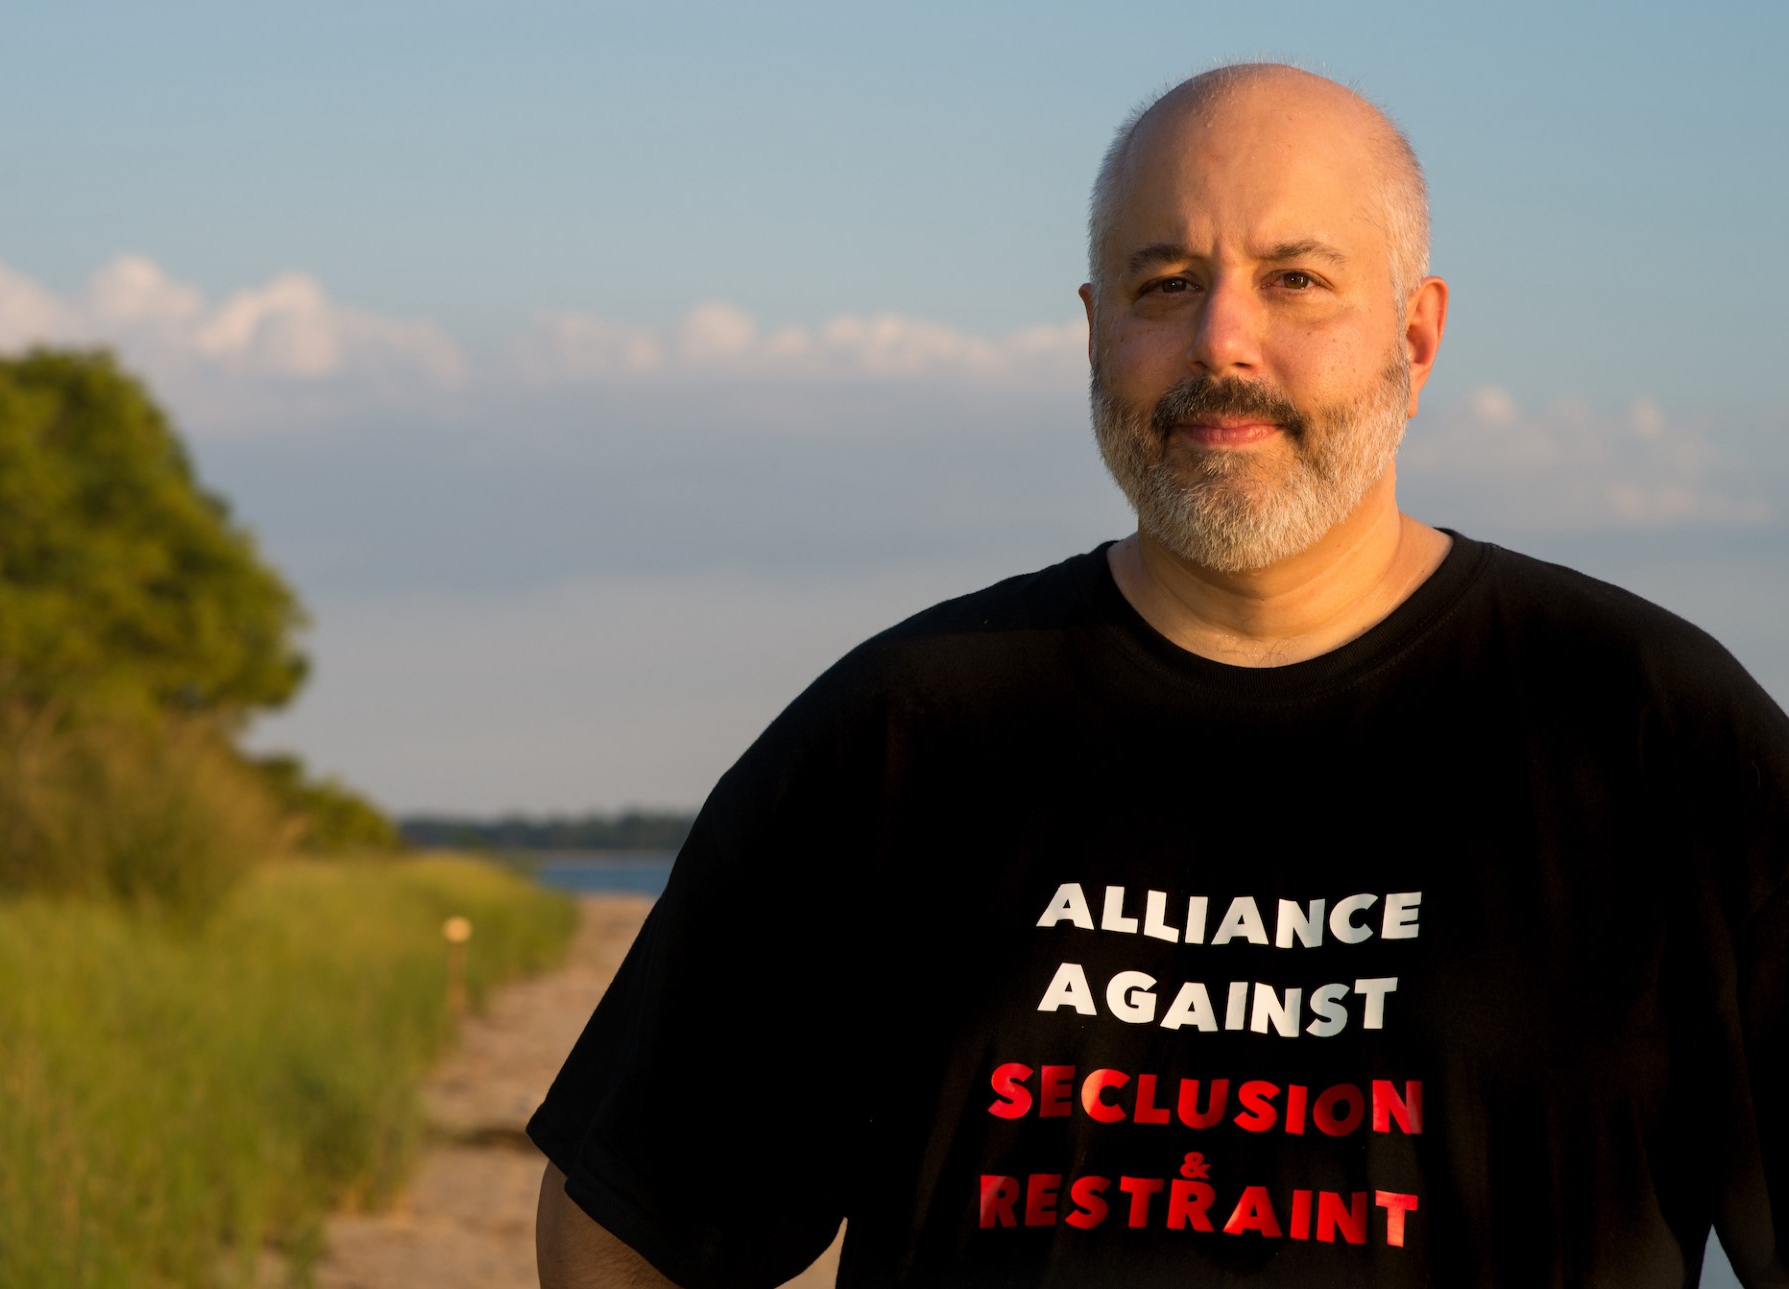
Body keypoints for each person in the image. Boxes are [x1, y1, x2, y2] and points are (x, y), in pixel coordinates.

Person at [530, 63, 1789, 1288]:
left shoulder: (1649, 732)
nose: (1221, 341)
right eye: (1167, 282)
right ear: (1095, 330)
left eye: (1296, 280)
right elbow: (634, 1218)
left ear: (1415, 334)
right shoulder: (911, 730)